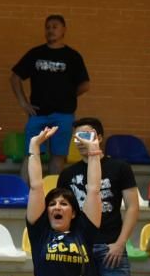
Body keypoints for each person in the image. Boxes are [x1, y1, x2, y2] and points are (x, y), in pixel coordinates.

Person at [58, 117, 140, 276]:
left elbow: (132, 207)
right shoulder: (67, 174)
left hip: (111, 246)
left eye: (84, 136)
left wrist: (120, 244)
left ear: (99, 137)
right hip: (81, 249)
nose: (78, 141)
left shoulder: (119, 167)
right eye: (76, 137)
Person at [25, 126, 103, 276]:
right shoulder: (40, 232)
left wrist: (94, 153)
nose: (57, 207)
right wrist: (34, 147)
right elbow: (35, 186)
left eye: (64, 204)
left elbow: (94, 190)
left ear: (74, 212)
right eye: (52, 204)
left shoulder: (84, 232)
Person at [11, 14, 91, 176]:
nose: (50, 30)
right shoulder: (35, 53)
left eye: (55, 27)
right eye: (47, 27)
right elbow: (15, 77)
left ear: (63, 30)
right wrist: (23, 103)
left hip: (63, 115)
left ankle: (53, 195)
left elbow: (85, 85)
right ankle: (24, 196)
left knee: (59, 156)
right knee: (32, 154)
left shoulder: (73, 56)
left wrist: (68, 96)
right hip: (38, 114)